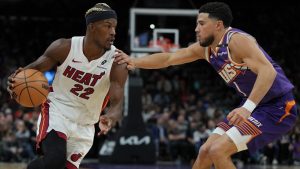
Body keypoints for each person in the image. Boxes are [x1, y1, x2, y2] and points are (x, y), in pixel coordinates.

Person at [114, 2, 297, 169]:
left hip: (278, 107)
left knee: (218, 151)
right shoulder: (205, 49)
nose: (196, 29)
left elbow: (269, 72)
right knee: (205, 151)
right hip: (255, 106)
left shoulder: (238, 40)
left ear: (218, 25)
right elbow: (169, 58)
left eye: (201, 24)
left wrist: (247, 108)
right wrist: (134, 61)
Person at [7, 3, 128, 169]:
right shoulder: (64, 48)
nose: (113, 32)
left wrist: (111, 116)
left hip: (86, 124)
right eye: (107, 26)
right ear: (92, 27)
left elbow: (117, 101)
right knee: (54, 161)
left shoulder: (117, 63)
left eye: (114, 27)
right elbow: (34, 69)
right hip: (58, 111)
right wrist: (15, 80)